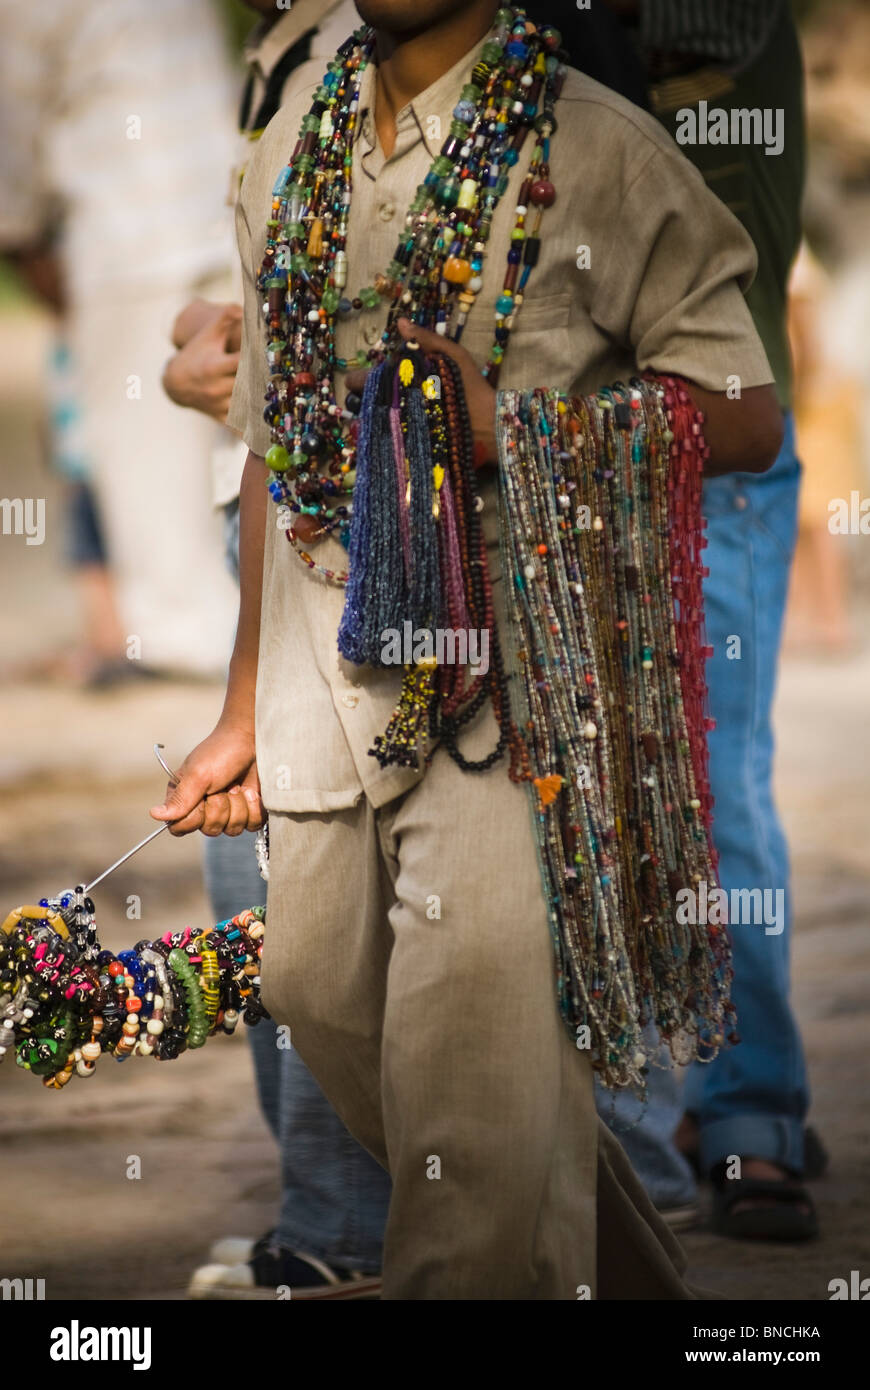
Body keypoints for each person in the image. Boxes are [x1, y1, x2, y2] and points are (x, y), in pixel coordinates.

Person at [152, 0, 782, 1299]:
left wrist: (522, 428)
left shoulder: (594, 144)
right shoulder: (293, 146)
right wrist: (238, 710)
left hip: (520, 677)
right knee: (316, 992)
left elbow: (745, 418)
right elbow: (279, 438)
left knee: (471, 1073)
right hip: (322, 661)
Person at [163, 0, 392, 1301]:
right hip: (311, 533)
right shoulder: (285, 58)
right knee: (276, 881)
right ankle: (339, 1220)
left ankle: (338, 1231)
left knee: (289, 885)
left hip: (366, 552)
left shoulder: (364, 63)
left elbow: (297, 405)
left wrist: (245, 706)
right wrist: (203, 354)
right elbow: (271, 348)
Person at [591, 0, 820, 1242]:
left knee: (713, 784)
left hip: (707, 440)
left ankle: (746, 1117)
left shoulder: (708, 33)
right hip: (580, 447)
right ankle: (733, 1105)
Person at [0, 0, 239, 677]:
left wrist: (18, 234)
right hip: (232, 204)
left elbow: (12, 121)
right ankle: (220, 629)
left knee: (146, 452)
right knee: (232, 434)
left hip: (128, 225)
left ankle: (179, 641)